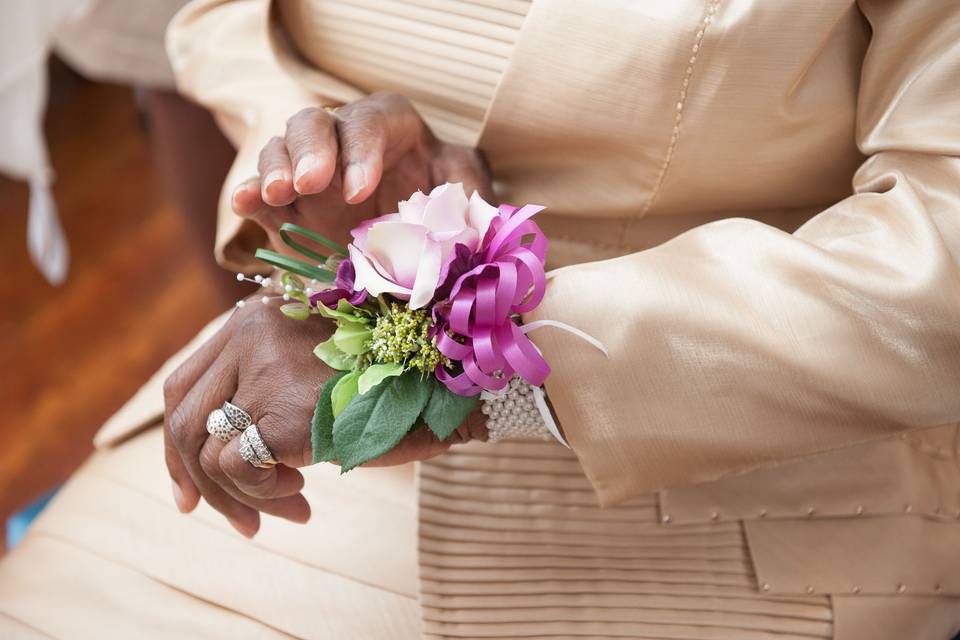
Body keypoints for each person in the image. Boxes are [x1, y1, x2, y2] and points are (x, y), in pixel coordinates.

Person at [1, 1, 958, 638]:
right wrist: (314, 145)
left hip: (749, 484)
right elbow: (220, 16)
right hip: (307, 446)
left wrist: (472, 380)